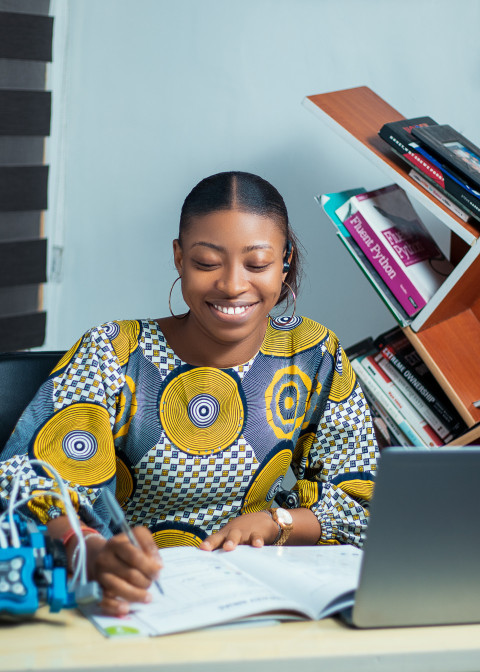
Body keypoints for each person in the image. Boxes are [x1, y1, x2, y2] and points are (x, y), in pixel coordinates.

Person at [0, 171, 378, 616]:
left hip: (262, 595)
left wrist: (278, 524)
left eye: (257, 264)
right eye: (206, 263)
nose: (233, 285)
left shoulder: (315, 354)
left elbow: (361, 499)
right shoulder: (113, 352)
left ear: (285, 261)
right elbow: (28, 486)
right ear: (179, 258)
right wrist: (90, 551)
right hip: (136, 594)